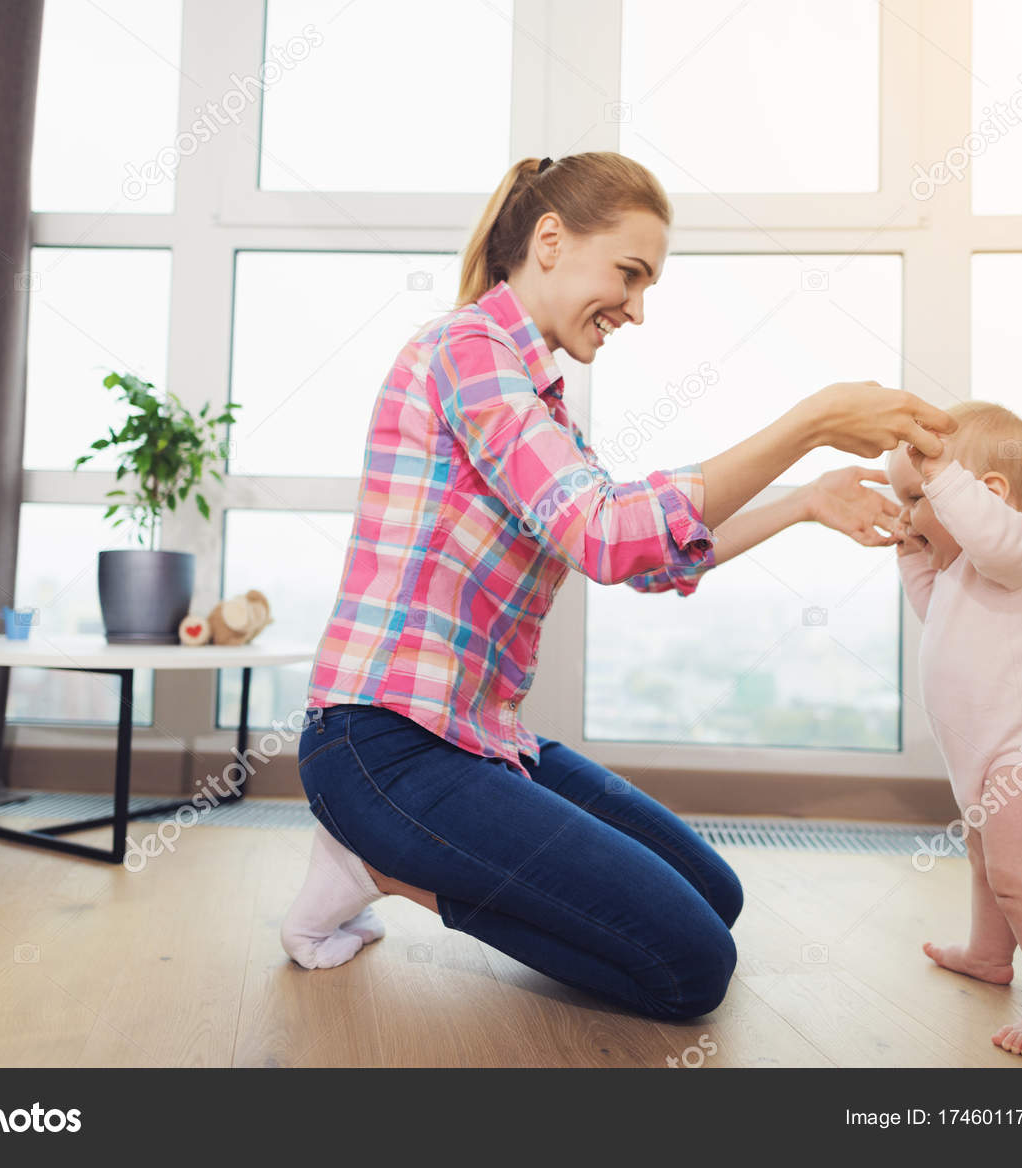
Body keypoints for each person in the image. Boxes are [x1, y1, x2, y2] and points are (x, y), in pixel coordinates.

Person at [280, 151, 956, 1022]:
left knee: (717, 897)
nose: (636, 310)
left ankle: (405, 856)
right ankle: (375, 866)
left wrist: (801, 503)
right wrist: (812, 423)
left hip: (480, 738)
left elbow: (650, 552)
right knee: (689, 969)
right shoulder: (469, 351)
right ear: (551, 241)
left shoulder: (541, 402)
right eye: (629, 275)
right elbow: (601, 534)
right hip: (382, 747)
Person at [888, 400, 1022, 1056]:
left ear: (986, 495)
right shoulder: (965, 574)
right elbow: (938, 612)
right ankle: (989, 955)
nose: (907, 510)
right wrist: (911, 553)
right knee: (988, 866)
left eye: (917, 495)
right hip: (1000, 766)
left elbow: (993, 536)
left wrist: (943, 479)